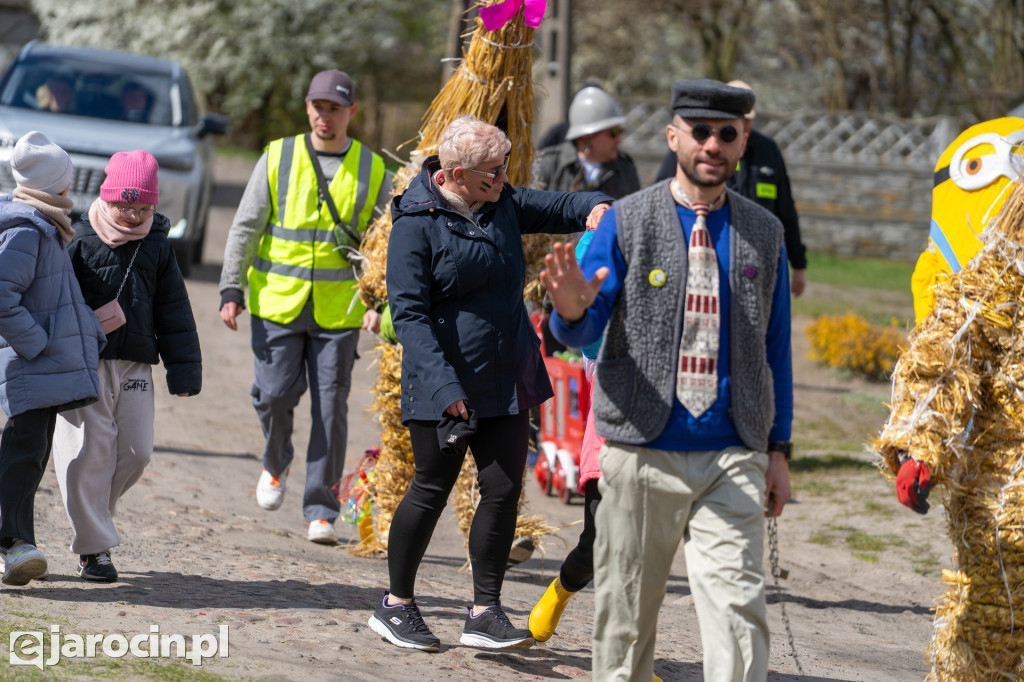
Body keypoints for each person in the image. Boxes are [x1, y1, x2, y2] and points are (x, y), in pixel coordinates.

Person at [542, 79, 793, 681]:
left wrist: (779, 450)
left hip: (733, 451)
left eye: (726, 133)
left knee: (739, 615)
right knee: (626, 621)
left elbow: (776, 349)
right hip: (641, 448)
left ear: (742, 140)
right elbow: (582, 333)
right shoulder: (627, 222)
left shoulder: (766, 233)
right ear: (673, 136)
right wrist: (571, 313)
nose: (712, 144)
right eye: (699, 131)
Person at [367, 115, 612, 652]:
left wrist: (595, 206)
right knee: (430, 490)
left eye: (504, 172)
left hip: (508, 379)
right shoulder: (415, 221)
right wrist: (443, 385)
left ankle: (485, 611)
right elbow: (408, 315)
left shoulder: (502, 201)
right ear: (455, 174)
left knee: (502, 492)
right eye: (491, 175)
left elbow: (558, 205)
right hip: (444, 383)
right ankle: (396, 605)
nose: (503, 182)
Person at [219, 69, 391, 546]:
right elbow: (245, 227)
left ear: (351, 112)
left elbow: (384, 245)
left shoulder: (375, 170)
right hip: (277, 302)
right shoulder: (278, 155)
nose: (325, 116)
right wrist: (231, 289)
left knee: (332, 409)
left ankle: (322, 507)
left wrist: (379, 301)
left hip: (340, 311)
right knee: (273, 395)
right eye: (318, 106)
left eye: (335, 108)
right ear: (308, 108)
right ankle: (277, 461)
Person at [52, 150, 201, 582]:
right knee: (89, 452)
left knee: (137, 452)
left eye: (143, 208)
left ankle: (94, 515)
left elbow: (174, 310)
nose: (133, 215)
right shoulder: (77, 240)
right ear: (107, 196)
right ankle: (94, 549)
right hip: (86, 364)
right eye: (125, 205)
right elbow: (57, 304)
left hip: (136, 364)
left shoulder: (157, 245)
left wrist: (185, 371)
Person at [0, 131, 105, 586]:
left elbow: (55, 297)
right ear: (54, 187)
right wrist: (38, 343)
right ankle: (11, 541)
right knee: (23, 451)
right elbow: (3, 295)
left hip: (41, 365)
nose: (71, 191)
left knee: (33, 450)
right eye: (66, 183)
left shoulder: (47, 226)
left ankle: (19, 545)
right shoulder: (28, 229)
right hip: (30, 364)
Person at [656, 80, 808, 297]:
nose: (741, 125)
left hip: (759, 254)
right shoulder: (694, 149)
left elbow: (786, 209)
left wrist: (799, 263)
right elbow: (664, 192)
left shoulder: (768, 150)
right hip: (703, 247)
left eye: (746, 120)